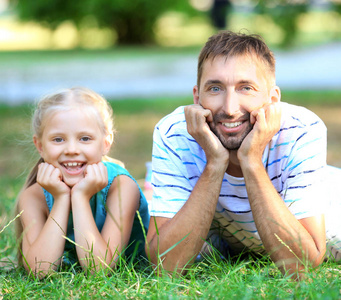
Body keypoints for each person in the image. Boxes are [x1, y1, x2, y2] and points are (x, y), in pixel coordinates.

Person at [146, 30, 341, 278]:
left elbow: (301, 265)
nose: (229, 109)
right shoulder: (173, 133)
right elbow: (165, 266)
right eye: (215, 88)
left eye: (246, 88)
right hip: (230, 237)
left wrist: (252, 161)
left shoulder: (302, 130)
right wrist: (215, 164)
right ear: (197, 97)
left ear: (273, 99)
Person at [15, 87, 149, 277]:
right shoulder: (33, 196)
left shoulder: (122, 187)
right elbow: (40, 270)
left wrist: (80, 197)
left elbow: (99, 269)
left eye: (85, 138)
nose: (71, 149)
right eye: (58, 139)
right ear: (40, 146)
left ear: (106, 143)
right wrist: (61, 198)